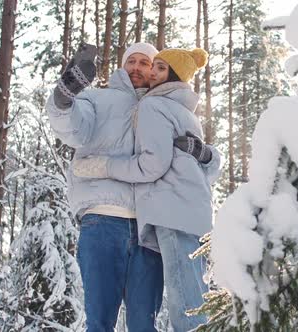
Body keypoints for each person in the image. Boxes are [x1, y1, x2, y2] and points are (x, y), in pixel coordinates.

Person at [46, 42, 218, 332]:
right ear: (123, 66)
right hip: (103, 219)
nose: (137, 67)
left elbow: (194, 168)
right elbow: (74, 127)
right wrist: (64, 98)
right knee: (100, 321)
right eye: (132, 61)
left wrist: (208, 154)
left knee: (143, 323)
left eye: (145, 63)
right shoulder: (99, 100)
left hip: (148, 229)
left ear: (155, 71)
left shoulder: (168, 106)